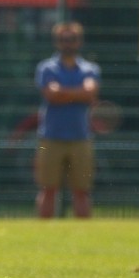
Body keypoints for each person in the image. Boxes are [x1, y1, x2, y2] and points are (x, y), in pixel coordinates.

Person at [34, 21, 100, 219]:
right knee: (48, 189)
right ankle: (43, 232)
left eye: (72, 39)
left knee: (82, 191)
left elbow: (90, 93)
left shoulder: (90, 68)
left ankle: (83, 234)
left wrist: (63, 93)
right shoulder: (46, 67)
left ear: (79, 41)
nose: (68, 43)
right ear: (57, 42)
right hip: (50, 137)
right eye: (63, 39)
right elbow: (51, 95)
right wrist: (78, 94)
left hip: (80, 138)